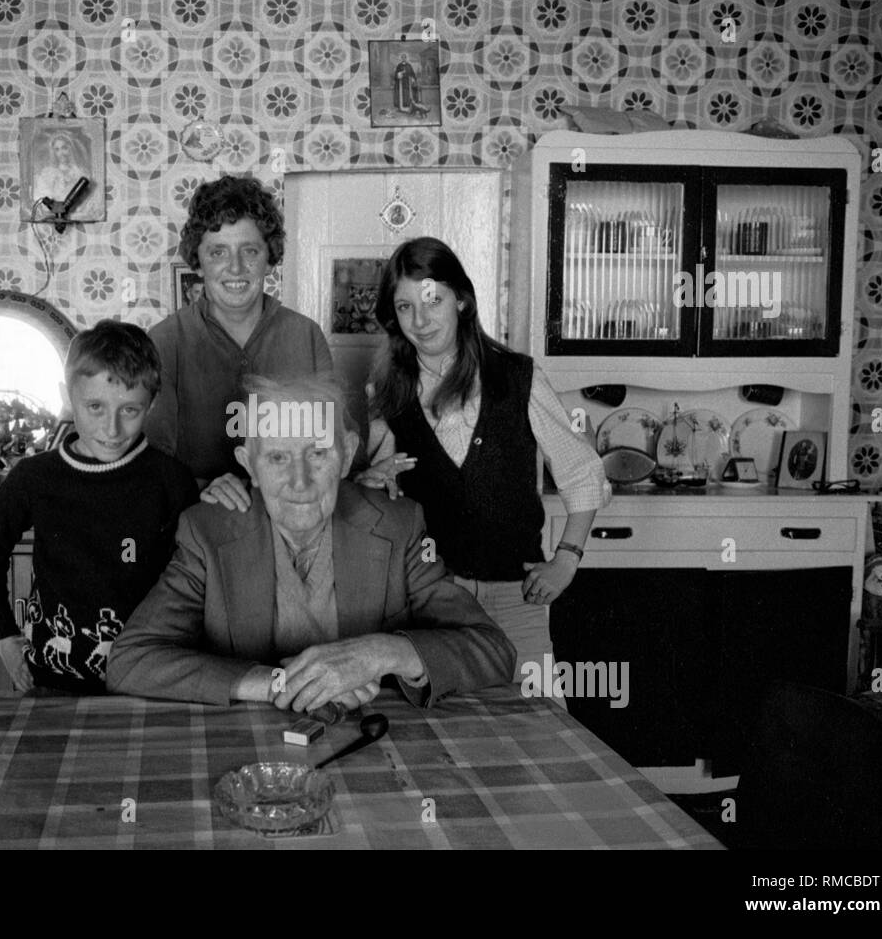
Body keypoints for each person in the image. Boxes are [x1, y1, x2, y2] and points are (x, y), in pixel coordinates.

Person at [106, 371, 516, 710]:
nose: (299, 482)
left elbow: (493, 650)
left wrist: (380, 654)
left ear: (347, 453)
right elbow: (131, 660)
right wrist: (275, 684)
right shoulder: (207, 532)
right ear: (250, 465)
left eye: (318, 454)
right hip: (246, 752)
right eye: (278, 458)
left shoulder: (398, 524)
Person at [356, 237, 610, 700]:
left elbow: (582, 472)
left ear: (462, 299)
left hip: (519, 598)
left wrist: (567, 559)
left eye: (432, 299)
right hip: (433, 602)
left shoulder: (516, 378)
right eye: (405, 306)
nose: (421, 319)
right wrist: (368, 485)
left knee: (542, 731)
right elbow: (372, 497)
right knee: (447, 743)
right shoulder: (387, 392)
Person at [0, 320, 198, 693]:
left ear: (151, 404)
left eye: (130, 410)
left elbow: (195, 579)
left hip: (152, 678)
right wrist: (3, 638)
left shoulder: (171, 479)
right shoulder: (34, 476)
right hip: (50, 681)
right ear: (67, 397)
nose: (112, 428)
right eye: (95, 406)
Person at [145, 174, 333, 493]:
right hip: (197, 517)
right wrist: (199, 488)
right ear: (199, 262)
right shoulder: (165, 340)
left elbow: (330, 442)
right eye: (218, 252)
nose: (235, 268)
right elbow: (150, 459)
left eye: (250, 251)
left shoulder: (306, 335)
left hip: (290, 515)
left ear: (269, 260)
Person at [32, 132, 87, 206]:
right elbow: (43, 195)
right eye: (57, 150)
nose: (61, 153)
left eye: (64, 148)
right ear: (54, 152)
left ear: (70, 149)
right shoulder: (48, 173)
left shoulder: (79, 172)